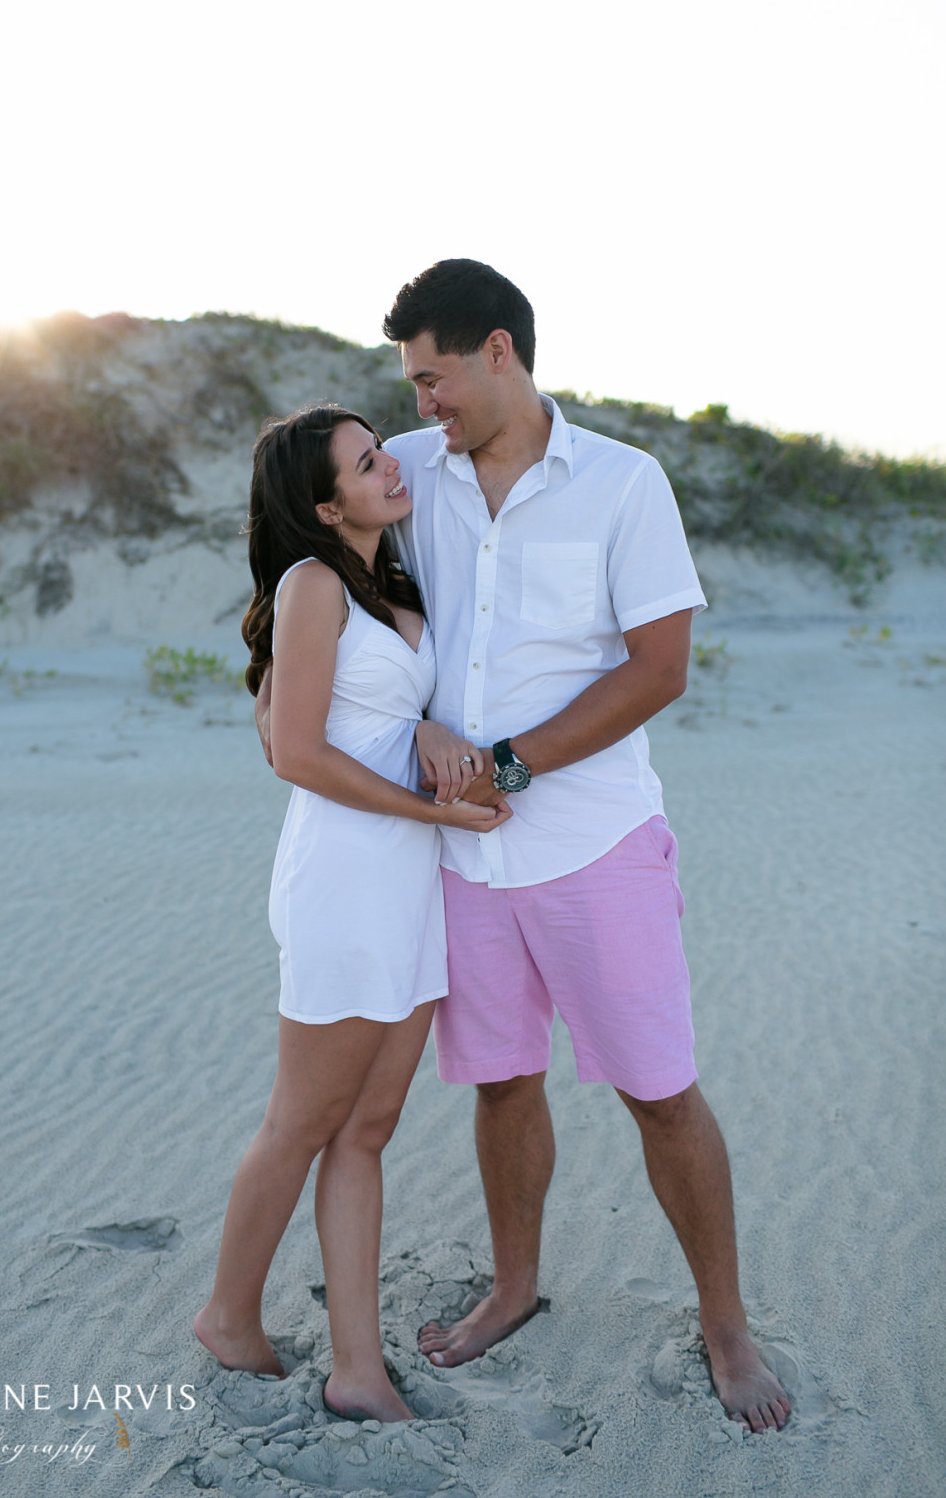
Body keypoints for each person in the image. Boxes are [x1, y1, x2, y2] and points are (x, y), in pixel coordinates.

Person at [258, 261, 791, 1434]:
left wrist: (504, 765)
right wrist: (420, 728)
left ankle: (724, 1323)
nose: (420, 403)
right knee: (502, 1081)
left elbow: (658, 670)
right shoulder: (405, 474)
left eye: (432, 377)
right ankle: (513, 1285)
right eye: (412, 385)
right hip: (458, 861)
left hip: (594, 844)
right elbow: (348, 620)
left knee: (659, 1093)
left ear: (496, 350)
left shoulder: (622, 482)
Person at [194, 403, 509, 1424]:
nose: (389, 469)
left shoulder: (390, 581)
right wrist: (430, 808)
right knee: (300, 1121)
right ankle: (228, 1318)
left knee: (367, 1128)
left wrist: (422, 735)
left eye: (381, 452)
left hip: (410, 883)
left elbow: (371, 714)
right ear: (327, 507)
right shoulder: (312, 583)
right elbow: (294, 750)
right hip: (344, 878)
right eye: (367, 464)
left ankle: (356, 1368)